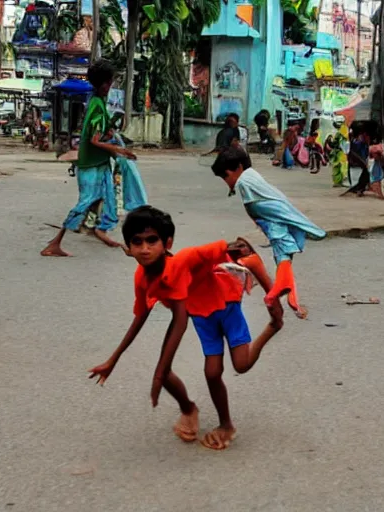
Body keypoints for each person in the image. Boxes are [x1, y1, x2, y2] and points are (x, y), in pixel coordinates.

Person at [87, 206, 283, 450]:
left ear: (167, 242)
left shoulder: (187, 258)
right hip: (202, 318)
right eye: (137, 242)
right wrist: (112, 360)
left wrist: (272, 297)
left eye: (152, 240)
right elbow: (140, 317)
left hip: (226, 305)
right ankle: (202, 415)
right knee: (209, 373)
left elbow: (246, 252)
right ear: (128, 247)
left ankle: (273, 327)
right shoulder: (142, 277)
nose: (145, 249)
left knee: (240, 366)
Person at [213, 148, 326, 319]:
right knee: (284, 251)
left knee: (284, 251)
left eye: (226, 176)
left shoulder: (245, 180)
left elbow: (268, 204)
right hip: (270, 214)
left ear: (238, 168)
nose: (227, 181)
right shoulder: (249, 176)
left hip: (268, 213)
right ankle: (286, 295)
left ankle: (281, 294)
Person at [41, 60, 135, 257]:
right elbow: (94, 140)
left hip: (98, 162)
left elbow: (99, 132)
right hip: (91, 164)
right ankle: (55, 243)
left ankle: (99, 230)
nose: (110, 87)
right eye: (109, 83)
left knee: (108, 199)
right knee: (86, 201)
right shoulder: (97, 105)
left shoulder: (96, 101)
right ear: (103, 84)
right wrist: (119, 150)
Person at [324, 116, 349, 186]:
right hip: (336, 151)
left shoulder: (344, 130)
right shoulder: (336, 131)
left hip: (342, 151)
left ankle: (345, 180)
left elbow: (344, 140)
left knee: (343, 166)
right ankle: (337, 182)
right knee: (336, 166)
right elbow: (333, 142)